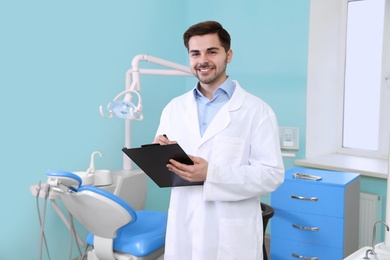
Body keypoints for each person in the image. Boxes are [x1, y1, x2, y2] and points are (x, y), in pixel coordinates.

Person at [153, 21, 284, 260]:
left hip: (231, 234)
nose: (203, 60)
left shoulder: (257, 111)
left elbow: (271, 175)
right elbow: (166, 167)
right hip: (185, 223)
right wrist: (159, 156)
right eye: (195, 53)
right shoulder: (174, 108)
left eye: (212, 52)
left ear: (228, 55)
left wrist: (211, 174)